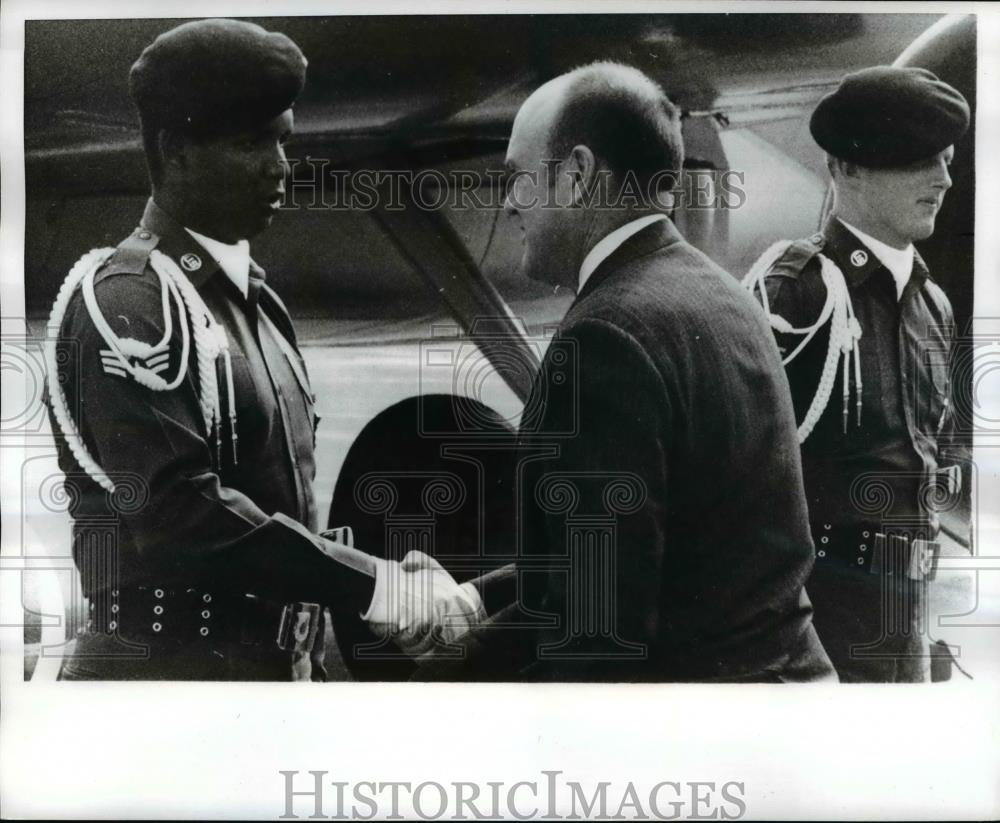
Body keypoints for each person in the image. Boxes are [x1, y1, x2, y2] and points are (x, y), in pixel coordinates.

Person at [44, 18, 480, 681]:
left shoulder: (253, 301)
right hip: (165, 690)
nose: (280, 166)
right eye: (250, 144)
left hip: (267, 675)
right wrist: (379, 586)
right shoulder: (130, 299)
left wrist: (387, 579)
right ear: (178, 150)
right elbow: (179, 514)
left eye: (283, 141)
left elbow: (271, 502)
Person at [415, 62, 835, 682]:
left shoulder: (603, 337)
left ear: (579, 175)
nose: (509, 204)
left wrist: (435, 681)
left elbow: (598, 636)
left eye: (518, 179)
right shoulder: (724, 296)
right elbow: (638, 553)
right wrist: (474, 602)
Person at [743, 66, 969, 682]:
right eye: (916, 160)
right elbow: (739, 484)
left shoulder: (932, 306)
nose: (943, 179)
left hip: (907, 622)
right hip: (819, 628)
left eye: (946, 159)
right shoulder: (794, 295)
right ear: (846, 168)